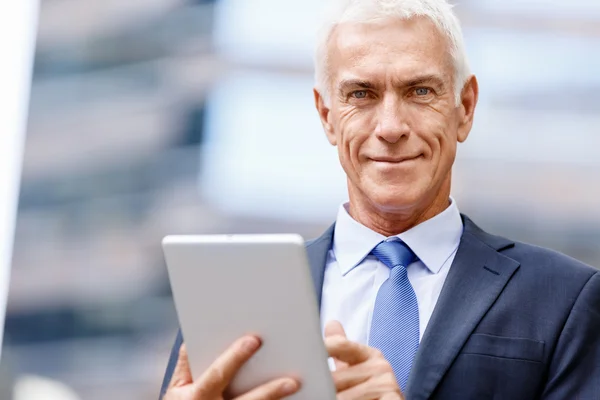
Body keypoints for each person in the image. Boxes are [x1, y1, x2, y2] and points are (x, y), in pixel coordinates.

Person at [160, 0, 600, 399]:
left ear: (465, 107)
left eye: (420, 91)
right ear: (327, 116)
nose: (390, 127)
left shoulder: (565, 300)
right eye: (361, 95)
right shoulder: (235, 299)